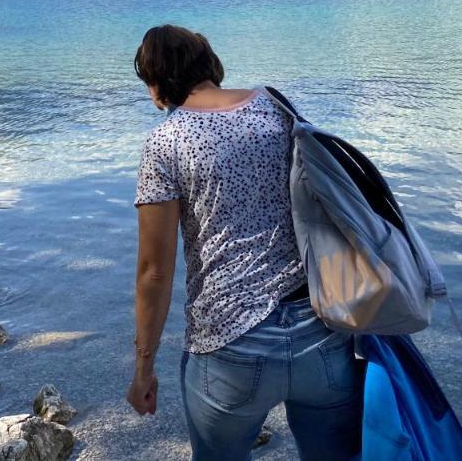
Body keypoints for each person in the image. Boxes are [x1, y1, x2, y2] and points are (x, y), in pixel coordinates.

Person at [127, 24, 363, 460]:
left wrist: (144, 368)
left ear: (156, 82)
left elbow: (154, 272)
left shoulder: (165, 141)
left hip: (230, 347)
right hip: (321, 330)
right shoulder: (276, 107)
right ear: (209, 64)